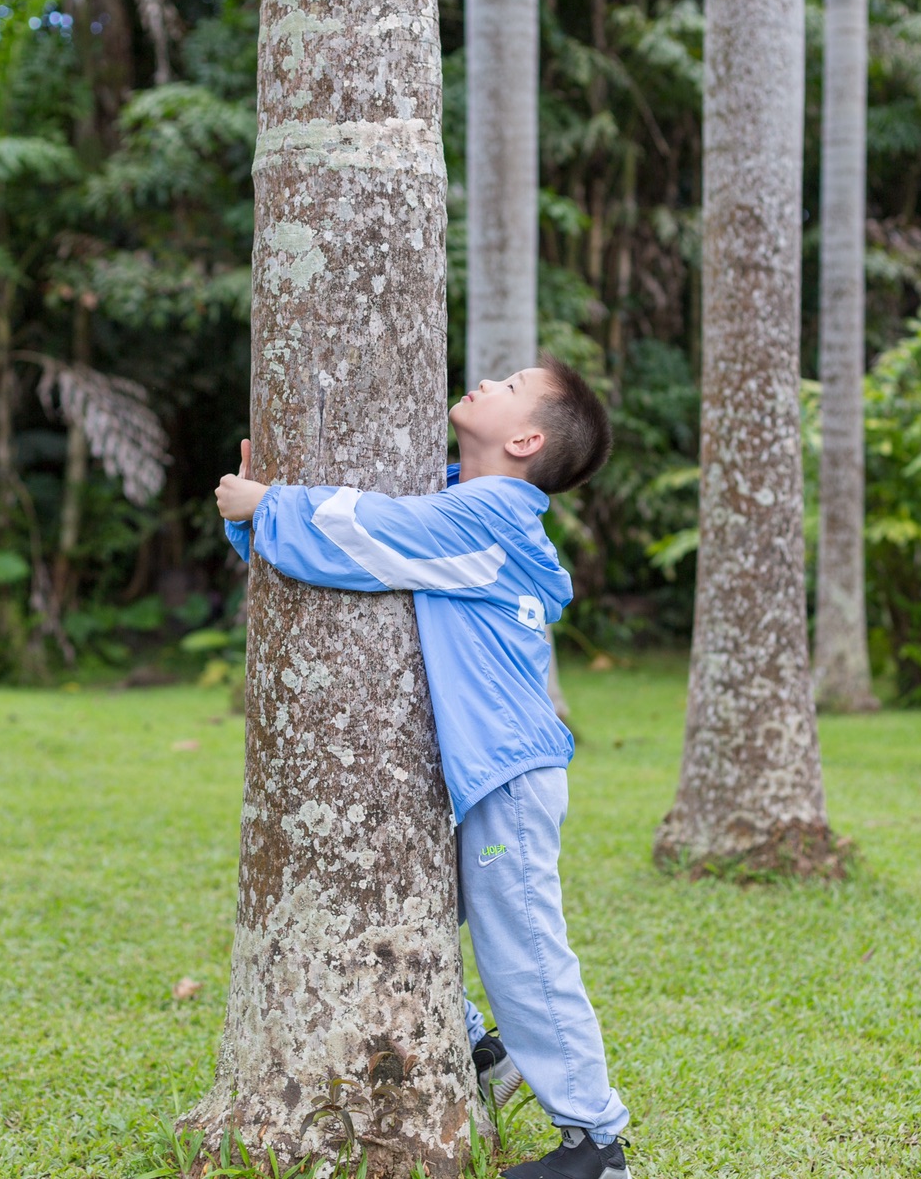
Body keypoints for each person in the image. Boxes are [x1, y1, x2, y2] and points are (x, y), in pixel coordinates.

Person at [216, 355, 631, 1179]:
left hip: (508, 777)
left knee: (526, 947)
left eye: (510, 387)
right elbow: (366, 554)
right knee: (406, 905)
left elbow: (375, 537)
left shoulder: (491, 519)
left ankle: (596, 1144)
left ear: (526, 439)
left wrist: (266, 507)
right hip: (489, 774)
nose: (487, 381)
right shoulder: (464, 504)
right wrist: (258, 519)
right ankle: (480, 1048)